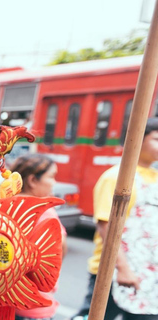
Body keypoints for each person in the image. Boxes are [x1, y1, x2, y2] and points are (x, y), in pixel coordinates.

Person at [71, 117, 158, 320]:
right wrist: (123, 269)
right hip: (114, 272)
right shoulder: (115, 177)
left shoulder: (154, 177)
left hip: (148, 271)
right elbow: (106, 227)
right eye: (156, 139)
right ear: (138, 139)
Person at [9, 153, 68, 320]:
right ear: (33, 180)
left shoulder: (5, 203)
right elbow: (59, 249)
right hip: (34, 304)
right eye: (52, 177)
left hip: (6, 300)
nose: (54, 183)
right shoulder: (42, 209)